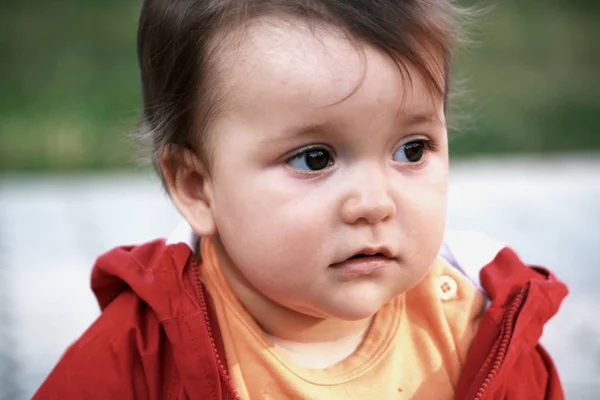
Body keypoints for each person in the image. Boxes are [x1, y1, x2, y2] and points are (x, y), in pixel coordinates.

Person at [34, 0, 569, 399]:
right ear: (197, 186)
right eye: (315, 159)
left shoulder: (483, 331)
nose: (374, 203)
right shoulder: (143, 355)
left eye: (411, 149)